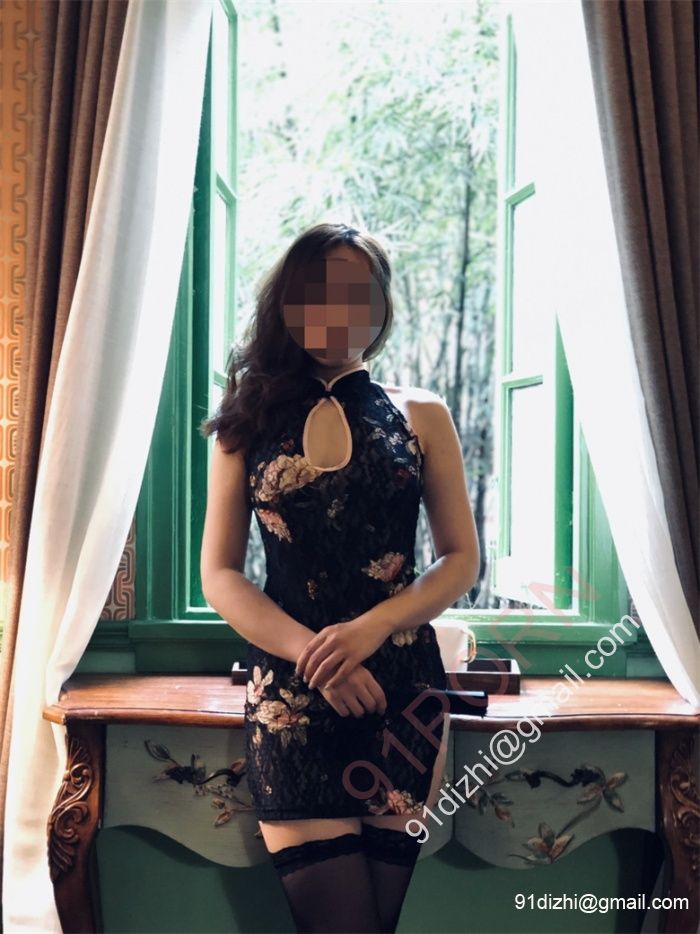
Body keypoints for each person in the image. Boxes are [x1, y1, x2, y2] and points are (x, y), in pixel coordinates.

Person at [199, 222, 479, 933]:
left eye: (358, 293)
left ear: (382, 306)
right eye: (319, 292)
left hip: (403, 689)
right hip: (292, 696)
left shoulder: (423, 414)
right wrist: (315, 655)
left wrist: (373, 628)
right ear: (288, 304)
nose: (339, 309)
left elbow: (461, 559)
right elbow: (220, 575)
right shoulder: (244, 422)